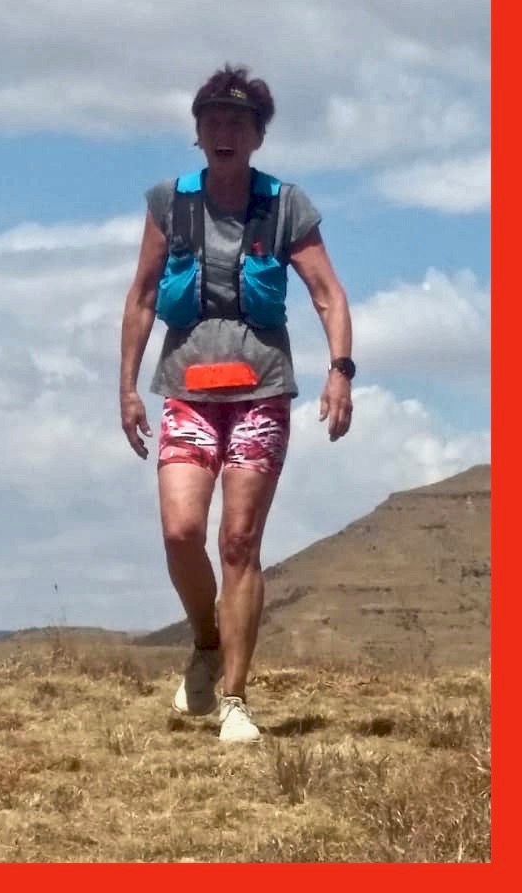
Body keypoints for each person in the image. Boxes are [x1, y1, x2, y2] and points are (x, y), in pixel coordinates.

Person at [119, 64, 354, 743]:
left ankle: (235, 699)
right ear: (197, 133)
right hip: (187, 391)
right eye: (213, 120)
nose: (225, 131)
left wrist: (340, 369)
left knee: (240, 539)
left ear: (257, 135)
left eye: (239, 122)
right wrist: (128, 387)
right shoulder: (171, 203)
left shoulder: (285, 206)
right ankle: (204, 639)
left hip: (261, 393)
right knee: (181, 531)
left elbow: (328, 293)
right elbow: (139, 297)